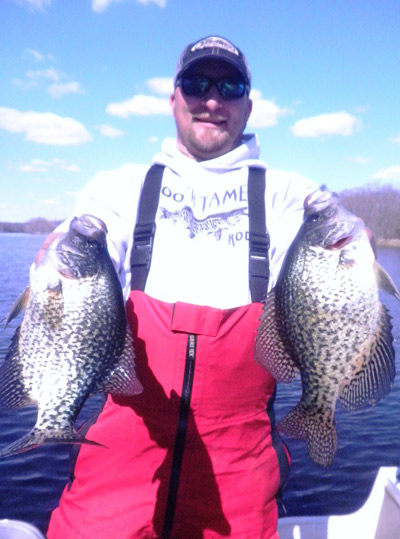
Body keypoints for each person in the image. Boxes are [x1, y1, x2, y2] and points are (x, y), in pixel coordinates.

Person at [46, 36, 319, 539]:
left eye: (229, 85)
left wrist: (349, 257)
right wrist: (63, 257)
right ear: (173, 98)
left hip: (241, 473)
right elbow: (88, 245)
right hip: (116, 466)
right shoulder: (120, 186)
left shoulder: (289, 195)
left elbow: (319, 275)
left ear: (248, 104)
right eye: (196, 83)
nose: (212, 100)